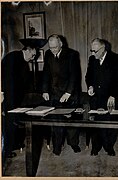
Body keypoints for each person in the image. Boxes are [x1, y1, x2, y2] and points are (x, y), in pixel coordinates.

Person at [1, 39, 43, 167]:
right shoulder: (12, 58)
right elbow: (6, 82)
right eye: (33, 54)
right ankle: (6, 151)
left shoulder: (23, 62)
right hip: (8, 100)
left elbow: (24, 84)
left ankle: (12, 147)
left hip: (17, 100)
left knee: (14, 124)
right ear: (27, 50)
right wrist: (8, 103)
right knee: (8, 126)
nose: (33, 57)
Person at [85, 38, 118, 156]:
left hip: (112, 98)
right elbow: (88, 76)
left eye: (95, 51)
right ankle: (95, 147)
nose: (93, 54)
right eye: (91, 51)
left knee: (111, 124)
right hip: (96, 97)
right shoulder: (92, 59)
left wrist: (114, 95)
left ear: (103, 49)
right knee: (95, 124)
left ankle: (109, 147)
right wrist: (90, 87)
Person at [42, 34, 82, 156]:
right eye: (50, 47)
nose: (52, 50)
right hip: (54, 93)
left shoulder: (72, 54)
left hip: (69, 93)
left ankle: (73, 143)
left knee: (71, 122)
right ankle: (57, 146)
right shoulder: (48, 54)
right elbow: (46, 73)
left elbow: (74, 75)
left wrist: (68, 92)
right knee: (56, 121)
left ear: (61, 44)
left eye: (55, 47)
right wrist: (44, 90)